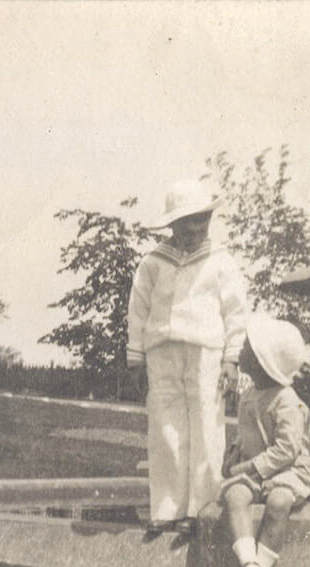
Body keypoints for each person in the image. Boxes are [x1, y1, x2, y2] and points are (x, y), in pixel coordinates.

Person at [127, 179, 247, 535]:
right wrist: (136, 356)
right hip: (161, 350)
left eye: (201, 220)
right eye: (187, 221)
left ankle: (202, 509)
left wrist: (231, 357)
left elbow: (235, 311)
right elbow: (138, 309)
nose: (195, 229)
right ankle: (167, 509)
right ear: (173, 224)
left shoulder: (220, 261)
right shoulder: (153, 263)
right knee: (166, 427)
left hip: (205, 352)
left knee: (207, 426)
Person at [221, 314, 310, 567]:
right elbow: (245, 434)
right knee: (235, 495)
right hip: (257, 470)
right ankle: (249, 564)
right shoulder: (249, 395)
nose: (241, 351)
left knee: (279, 502)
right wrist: (233, 456)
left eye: (248, 348)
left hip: (287, 470)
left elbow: (287, 449)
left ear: (264, 361)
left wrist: (251, 466)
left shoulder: (286, 400)